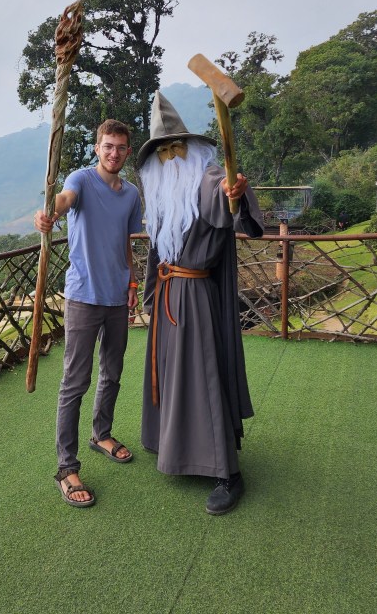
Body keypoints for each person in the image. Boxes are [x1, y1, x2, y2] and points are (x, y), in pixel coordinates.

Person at [135, 91, 264, 515]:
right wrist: (152, 297)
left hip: (196, 297)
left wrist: (236, 191)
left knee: (204, 376)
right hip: (170, 295)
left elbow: (224, 202)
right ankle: (173, 446)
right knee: (172, 374)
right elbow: (157, 251)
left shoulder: (208, 178)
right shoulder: (156, 194)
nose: (170, 158)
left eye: (176, 149)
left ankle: (227, 472)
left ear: (191, 149)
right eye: (162, 152)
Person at [33, 118, 143, 508]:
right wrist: (49, 214)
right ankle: (66, 467)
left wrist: (131, 284)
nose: (114, 153)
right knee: (74, 382)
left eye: (121, 148)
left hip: (117, 296)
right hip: (82, 297)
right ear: (97, 148)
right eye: (107, 146)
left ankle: (102, 434)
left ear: (127, 152)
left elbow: (127, 243)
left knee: (112, 372)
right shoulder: (80, 179)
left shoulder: (131, 194)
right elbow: (62, 201)